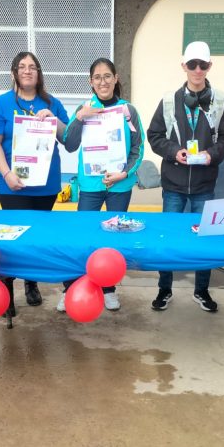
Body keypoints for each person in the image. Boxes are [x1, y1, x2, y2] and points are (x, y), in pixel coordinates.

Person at [147, 41, 224, 313]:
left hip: (204, 184)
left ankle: (202, 290)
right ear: (183, 66)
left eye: (203, 65)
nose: (197, 70)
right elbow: (154, 136)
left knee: (204, 240)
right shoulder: (168, 101)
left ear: (210, 66)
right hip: (173, 184)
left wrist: (212, 154)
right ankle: (164, 289)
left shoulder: (220, 101)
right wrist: (174, 152)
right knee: (167, 238)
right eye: (192, 64)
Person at [0, 51, 69, 314]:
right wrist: (6, 173)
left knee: (36, 238)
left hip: (46, 185)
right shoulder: (0, 104)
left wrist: (53, 120)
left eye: (33, 67)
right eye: (22, 67)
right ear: (14, 73)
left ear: (39, 73)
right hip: (13, 184)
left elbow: (68, 138)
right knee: (12, 240)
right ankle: (6, 293)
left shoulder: (52, 102)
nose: (28, 71)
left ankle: (31, 283)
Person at [58, 58, 145, 312]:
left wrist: (124, 173)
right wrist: (80, 118)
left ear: (116, 79)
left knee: (113, 239)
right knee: (82, 237)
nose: (102, 81)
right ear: (90, 82)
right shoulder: (84, 108)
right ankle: (72, 287)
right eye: (97, 77)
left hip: (119, 185)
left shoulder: (128, 110)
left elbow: (138, 148)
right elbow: (70, 143)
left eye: (107, 76)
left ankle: (108, 288)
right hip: (90, 185)